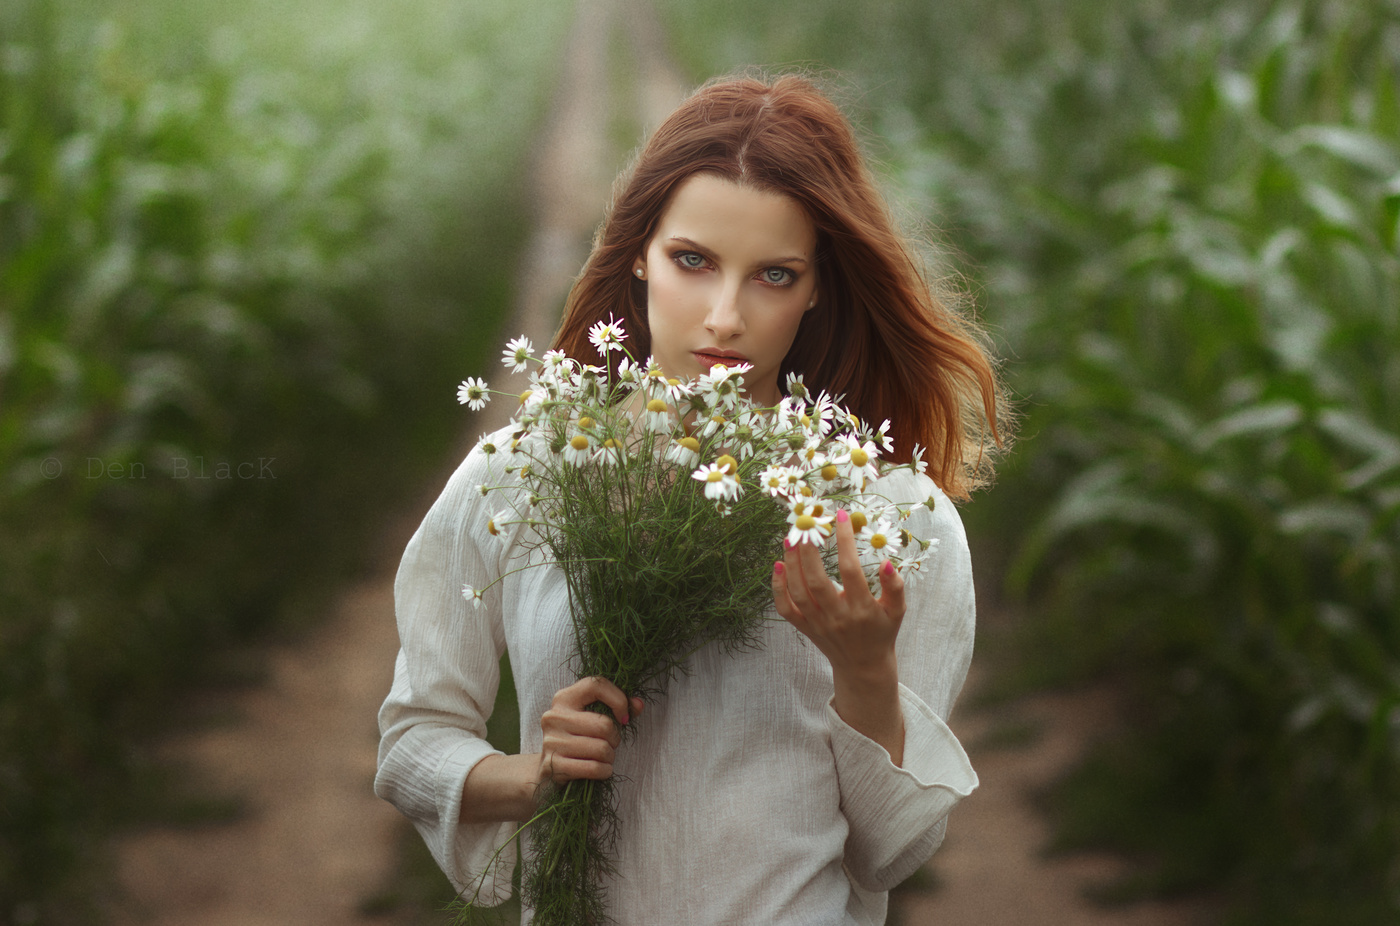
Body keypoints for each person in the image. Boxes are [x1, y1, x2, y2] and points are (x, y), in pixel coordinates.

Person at [375, 72, 1009, 925]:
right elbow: (411, 744)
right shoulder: (528, 470)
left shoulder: (890, 514)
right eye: (693, 261)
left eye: (773, 276)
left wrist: (866, 672)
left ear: (819, 287)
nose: (723, 315)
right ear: (638, 251)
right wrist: (533, 776)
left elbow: (889, 852)